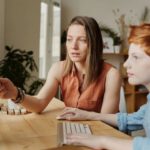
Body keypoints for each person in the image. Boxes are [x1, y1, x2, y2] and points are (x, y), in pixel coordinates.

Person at [0, 16, 121, 114]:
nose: (73, 46)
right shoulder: (58, 69)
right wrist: (15, 93)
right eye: (69, 39)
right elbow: (39, 103)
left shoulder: (111, 75)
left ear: (94, 44)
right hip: (74, 131)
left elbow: (107, 122)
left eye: (82, 40)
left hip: (102, 136)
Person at [57, 23, 150, 150]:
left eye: (135, 57)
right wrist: (88, 115)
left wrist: (103, 141)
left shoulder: (110, 73)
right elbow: (133, 120)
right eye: (128, 57)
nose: (126, 64)